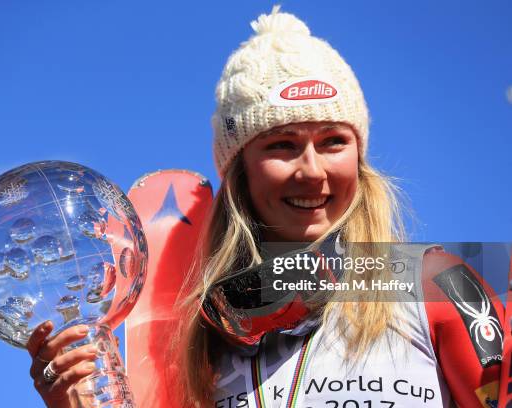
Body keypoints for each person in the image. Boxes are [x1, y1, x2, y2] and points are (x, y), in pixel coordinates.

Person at [27, 6, 504, 408]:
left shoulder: (434, 282)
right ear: (241, 170)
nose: (313, 170)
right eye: (282, 145)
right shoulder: (206, 338)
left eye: (333, 142)